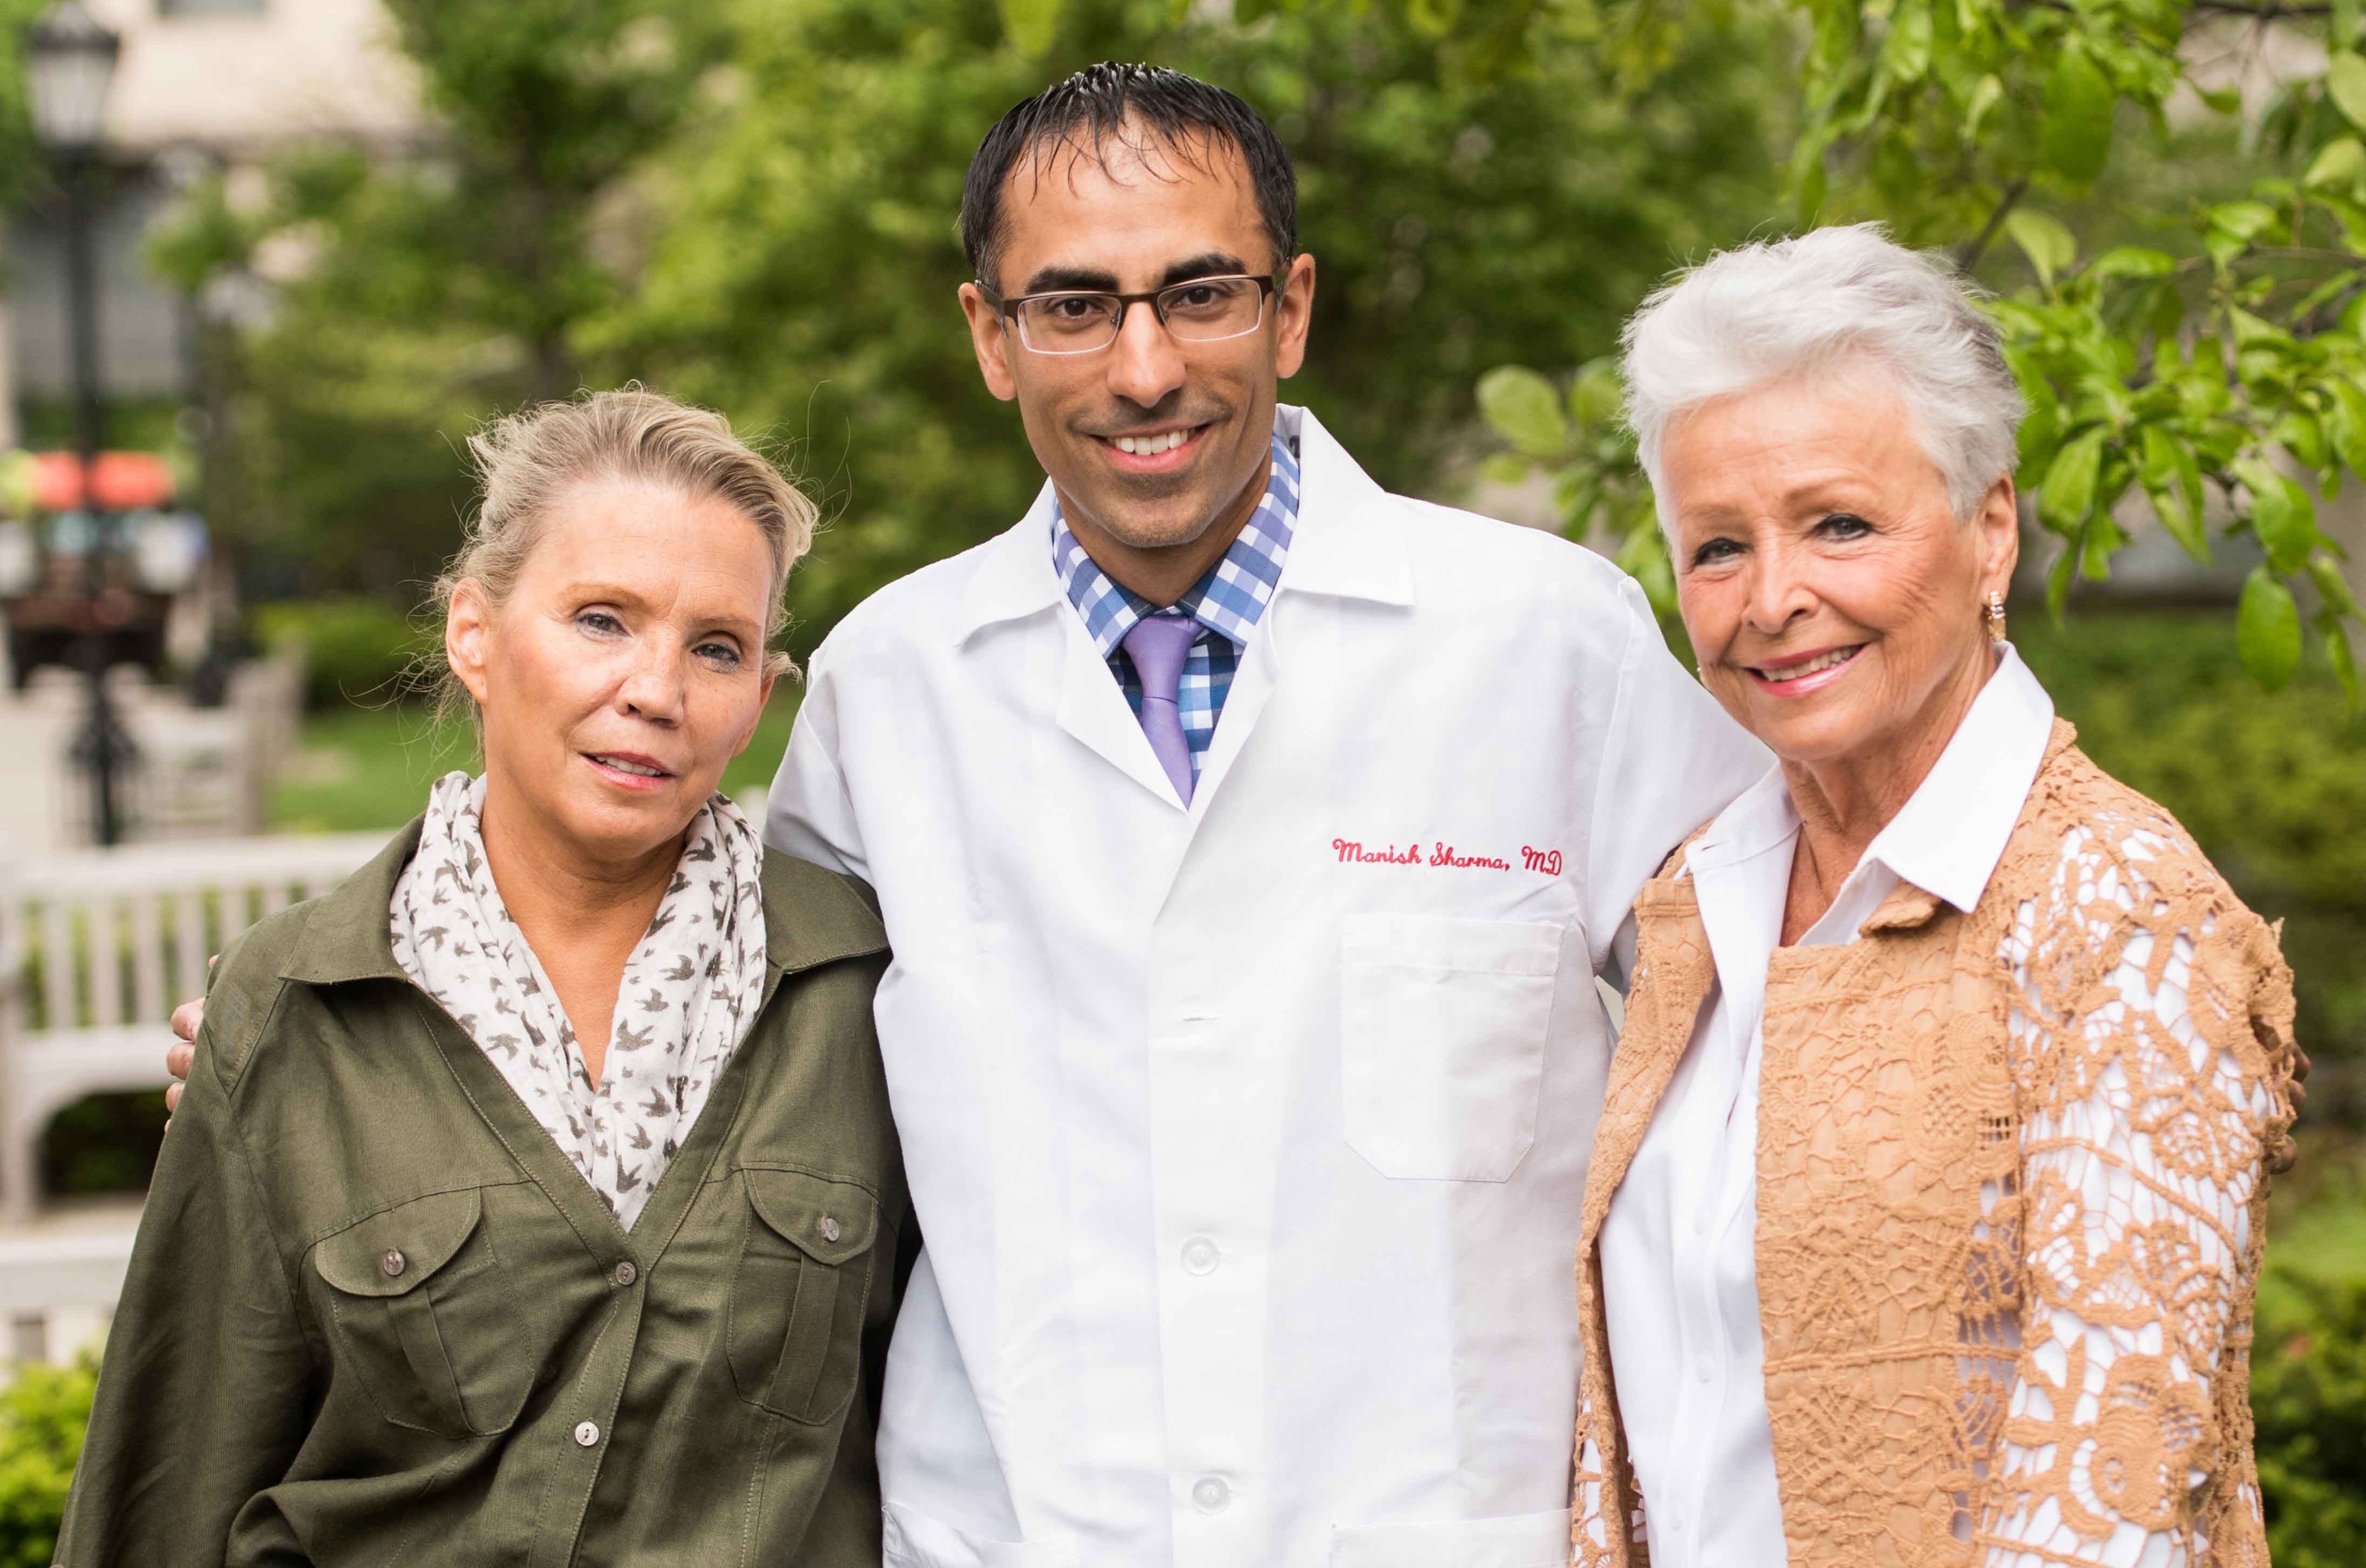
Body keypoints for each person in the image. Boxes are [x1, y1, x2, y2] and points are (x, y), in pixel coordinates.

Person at [172, 66, 1767, 1565]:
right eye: (1072, 305)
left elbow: (1782, 1020)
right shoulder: (892, 687)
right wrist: (311, 1054)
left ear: (1288, 309)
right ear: (991, 337)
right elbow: (698, 1003)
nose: (1141, 369)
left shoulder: (1538, 638)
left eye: (1198, 292)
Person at [1568, 226, 2306, 1568]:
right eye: (1717, 546)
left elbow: (2112, 1495)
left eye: (1839, 524)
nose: (1774, 599)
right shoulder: (1696, 904)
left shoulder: (2123, 916)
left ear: (1990, 531)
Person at [80, 390, 907, 1564]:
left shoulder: (867, 993)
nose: (656, 690)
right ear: (475, 632)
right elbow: (173, 1473)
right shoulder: (298, 1007)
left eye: (715, 646)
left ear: (757, 701)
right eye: (602, 620)